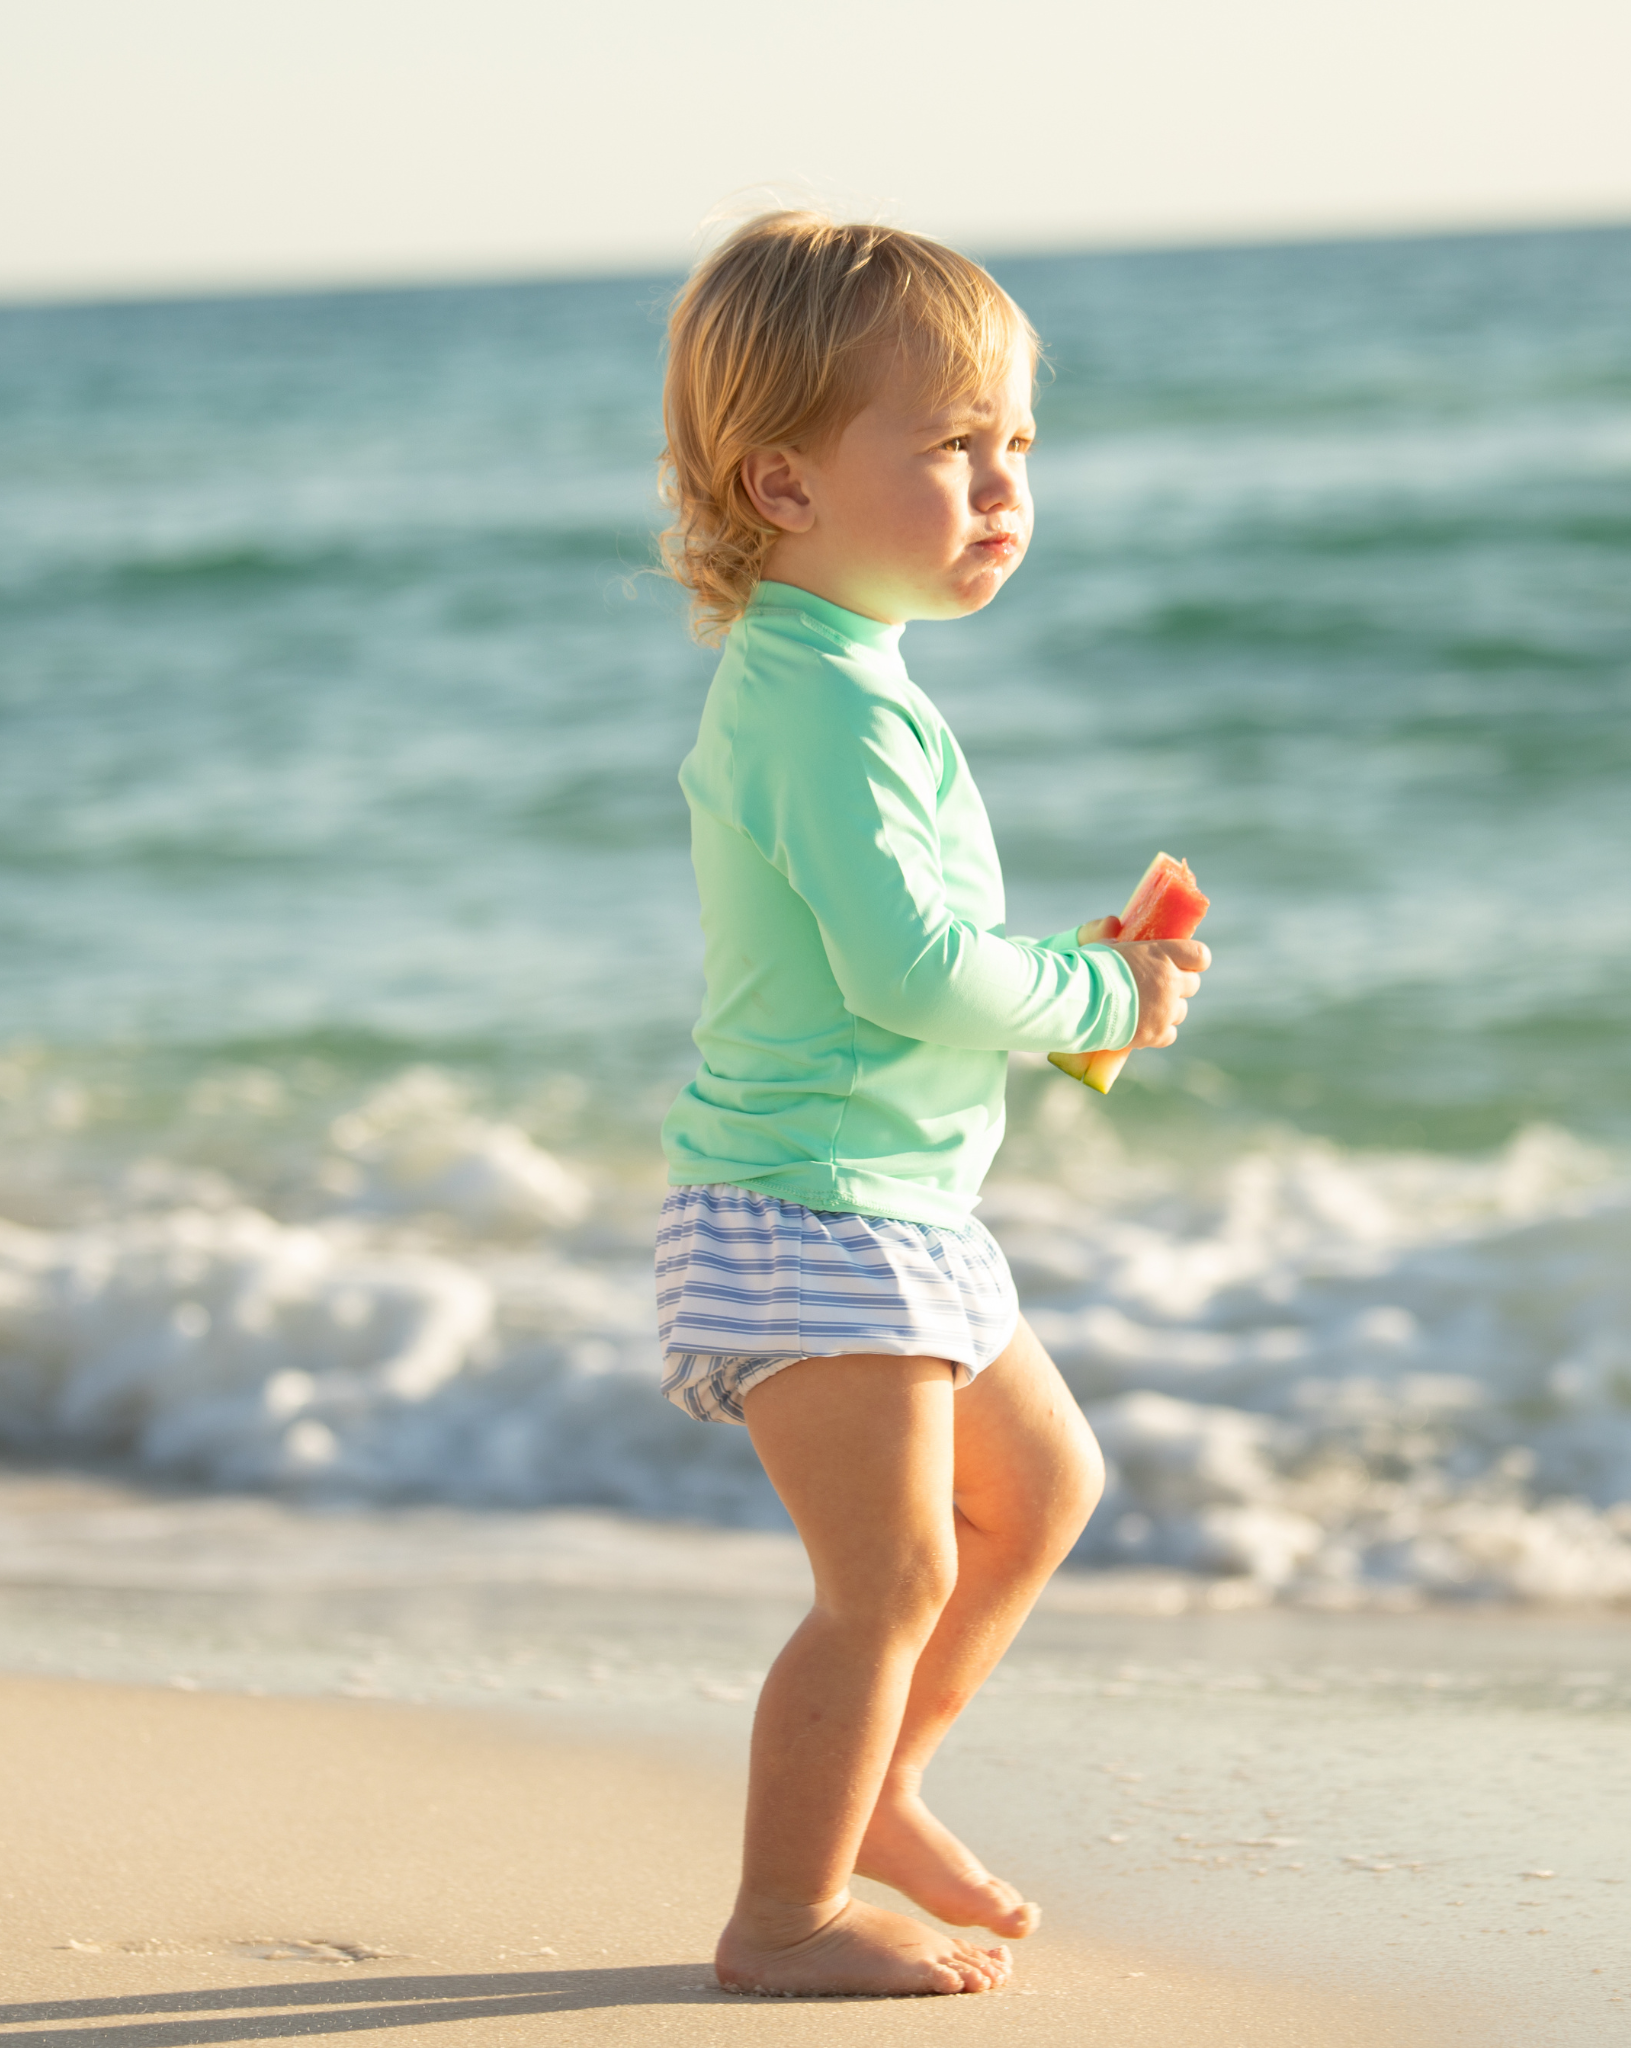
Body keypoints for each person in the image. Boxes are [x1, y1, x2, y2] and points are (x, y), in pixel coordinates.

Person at [651, 211, 1211, 1998]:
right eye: (949, 444)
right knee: (885, 1580)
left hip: (892, 1209)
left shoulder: (848, 684)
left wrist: (1058, 985)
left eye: (1017, 445)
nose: (1000, 486)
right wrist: (1094, 991)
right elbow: (909, 974)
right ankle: (784, 1915)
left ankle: (878, 1779)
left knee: (1042, 1492)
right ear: (785, 486)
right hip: (809, 1211)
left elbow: (906, 956)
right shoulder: (819, 708)